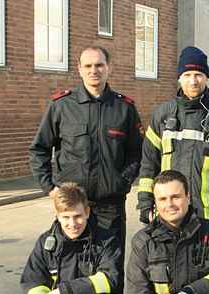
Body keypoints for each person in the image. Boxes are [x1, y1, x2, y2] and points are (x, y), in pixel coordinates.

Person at [29, 46, 143, 272]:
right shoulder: (61, 106)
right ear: (79, 69)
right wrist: (50, 188)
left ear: (109, 68)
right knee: (71, 267)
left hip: (110, 205)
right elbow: (39, 149)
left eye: (99, 65)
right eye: (88, 66)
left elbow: (137, 153)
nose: (94, 70)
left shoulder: (124, 108)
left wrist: (122, 181)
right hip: (73, 207)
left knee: (111, 269)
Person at [136, 46, 209, 233]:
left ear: (207, 77)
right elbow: (149, 163)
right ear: (179, 77)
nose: (193, 81)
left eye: (198, 74)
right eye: (187, 74)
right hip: (170, 216)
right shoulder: (163, 115)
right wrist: (145, 202)